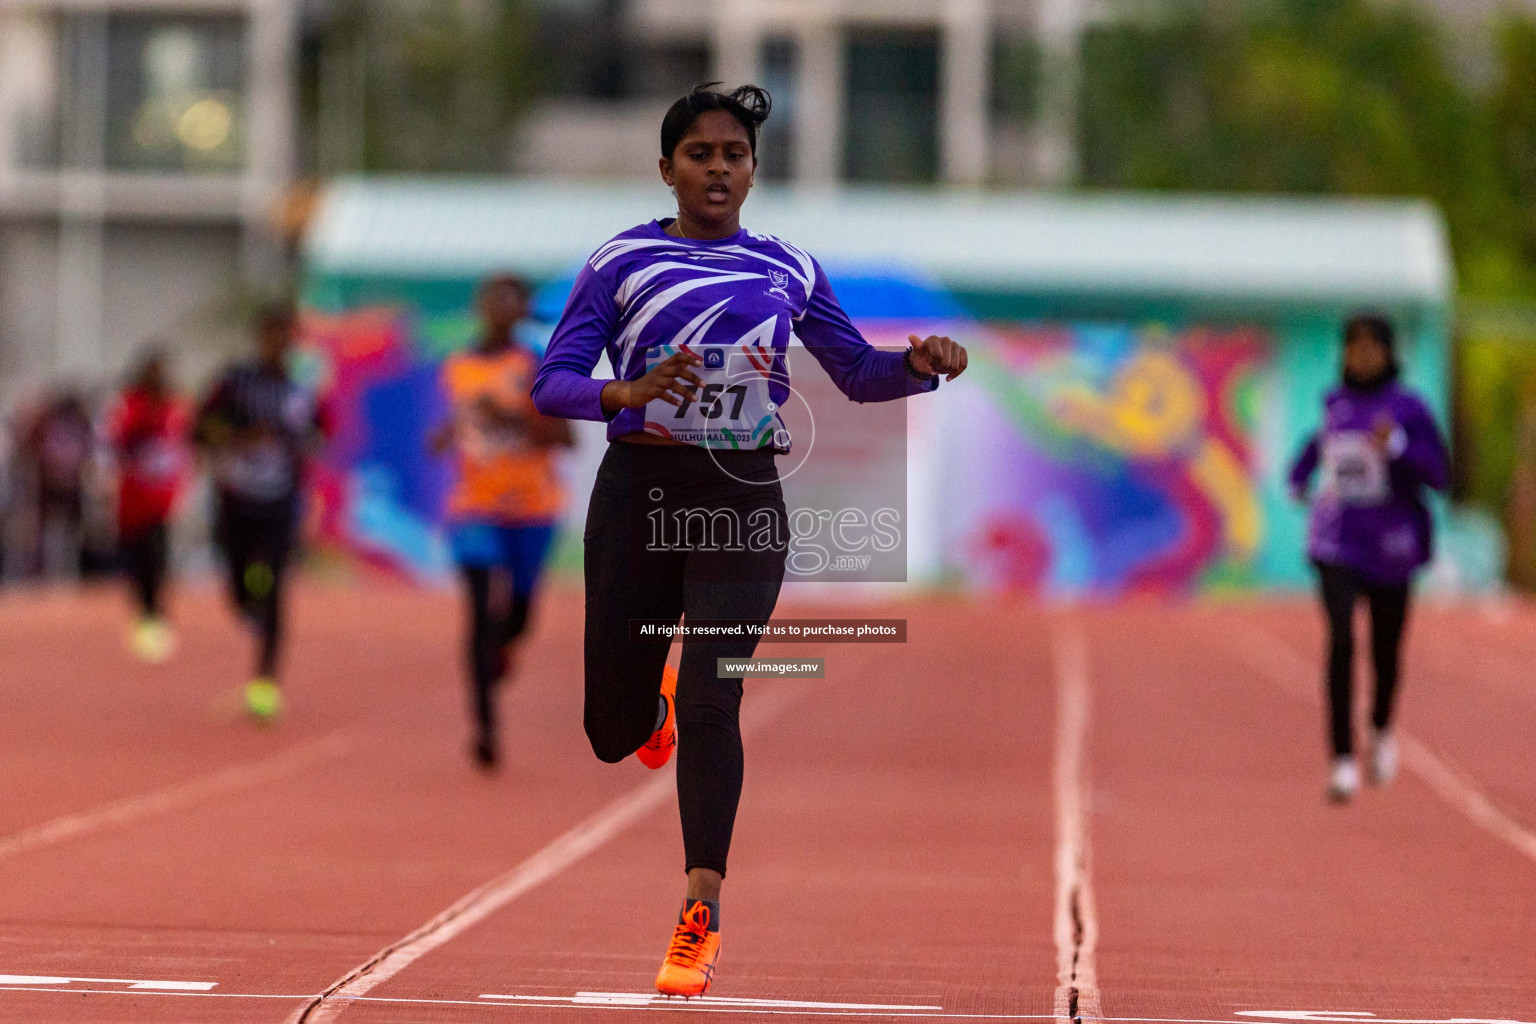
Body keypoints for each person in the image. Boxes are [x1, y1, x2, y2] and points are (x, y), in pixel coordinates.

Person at [532, 82, 967, 997]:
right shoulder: (622, 263)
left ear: (755, 172)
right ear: (667, 169)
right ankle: (640, 713)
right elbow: (555, 380)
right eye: (701, 154)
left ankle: (700, 908)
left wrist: (918, 369)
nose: (719, 169)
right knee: (613, 733)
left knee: (714, 696)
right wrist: (626, 393)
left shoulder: (789, 268)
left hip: (740, 496)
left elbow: (855, 371)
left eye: (734, 155)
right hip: (639, 496)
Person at [1289, 313, 1450, 804]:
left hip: (1392, 544)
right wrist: (1298, 479)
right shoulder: (1333, 404)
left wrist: (1397, 447)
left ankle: (1379, 727)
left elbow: (1440, 474)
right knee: (1340, 641)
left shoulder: (1408, 409)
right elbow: (1316, 449)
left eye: (1369, 347)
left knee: (1385, 650)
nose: (1359, 356)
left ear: (1387, 353)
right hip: (1337, 541)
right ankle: (1341, 761)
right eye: (1350, 347)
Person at [434, 273, 572, 770]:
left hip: (533, 506)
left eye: (511, 300)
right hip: (474, 505)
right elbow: (455, 425)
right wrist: (445, 436)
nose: (500, 307)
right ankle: (485, 728)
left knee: (516, 615)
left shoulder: (537, 366)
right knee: (477, 614)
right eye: (493, 297)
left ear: (522, 310)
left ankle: (506, 646)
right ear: (480, 305)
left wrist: (510, 419)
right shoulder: (458, 366)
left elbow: (564, 438)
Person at [193, 305, 328, 723]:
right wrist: (238, 438)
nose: (277, 343)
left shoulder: (301, 390)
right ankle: (249, 599)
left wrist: (299, 445)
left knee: (274, 584)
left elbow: (323, 433)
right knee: (239, 584)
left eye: (285, 335)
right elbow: (199, 429)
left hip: (280, 500)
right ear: (259, 337)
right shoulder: (234, 383)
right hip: (236, 496)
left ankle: (265, 680)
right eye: (270, 334)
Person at [107, 348, 191, 662]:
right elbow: (117, 440)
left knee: (157, 556)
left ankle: (155, 614)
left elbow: (183, 444)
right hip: (132, 498)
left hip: (161, 498)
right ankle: (143, 611)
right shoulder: (131, 405)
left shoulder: (175, 406)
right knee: (135, 558)